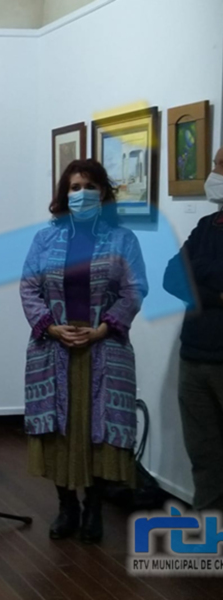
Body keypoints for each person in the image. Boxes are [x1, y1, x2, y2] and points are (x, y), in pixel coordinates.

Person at [20, 158, 147, 544]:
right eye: (75, 187)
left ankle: (93, 508)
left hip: (104, 346)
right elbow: (28, 287)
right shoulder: (45, 239)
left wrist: (103, 329)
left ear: (103, 192)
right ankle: (66, 507)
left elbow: (134, 290)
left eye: (89, 187)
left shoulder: (123, 239)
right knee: (60, 429)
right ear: (65, 193)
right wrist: (51, 327)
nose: (82, 194)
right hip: (53, 346)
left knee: (99, 430)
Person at [163, 147, 223, 512]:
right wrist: (216, 293)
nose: (214, 172)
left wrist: (198, 274)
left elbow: (189, 274)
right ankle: (210, 529)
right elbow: (172, 276)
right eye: (215, 163)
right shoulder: (207, 226)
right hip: (194, 357)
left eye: (221, 165)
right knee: (204, 454)